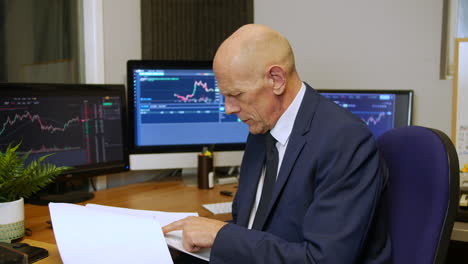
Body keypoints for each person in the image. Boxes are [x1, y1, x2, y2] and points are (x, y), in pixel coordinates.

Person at [163, 24, 392, 263]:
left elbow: (322, 260)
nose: (228, 109)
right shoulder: (262, 128)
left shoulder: (345, 140)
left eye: (236, 95)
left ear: (276, 79)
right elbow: (252, 226)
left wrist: (221, 235)